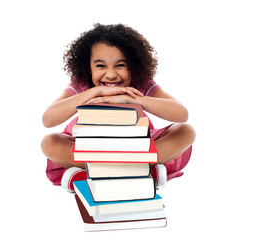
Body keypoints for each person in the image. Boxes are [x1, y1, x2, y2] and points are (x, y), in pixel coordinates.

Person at [41, 24, 196, 192]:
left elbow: (182, 114)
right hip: (91, 146)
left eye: (120, 65)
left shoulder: (140, 84)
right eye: (100, 66)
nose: (111, 74)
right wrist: (95, 91)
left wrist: (135, 99)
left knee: (186, 131)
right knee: (49, 143)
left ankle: (95, 174)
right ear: (88, 67)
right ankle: (142, 172)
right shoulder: (83, 84)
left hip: (136, 146)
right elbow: (48, 119)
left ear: (134, 66)